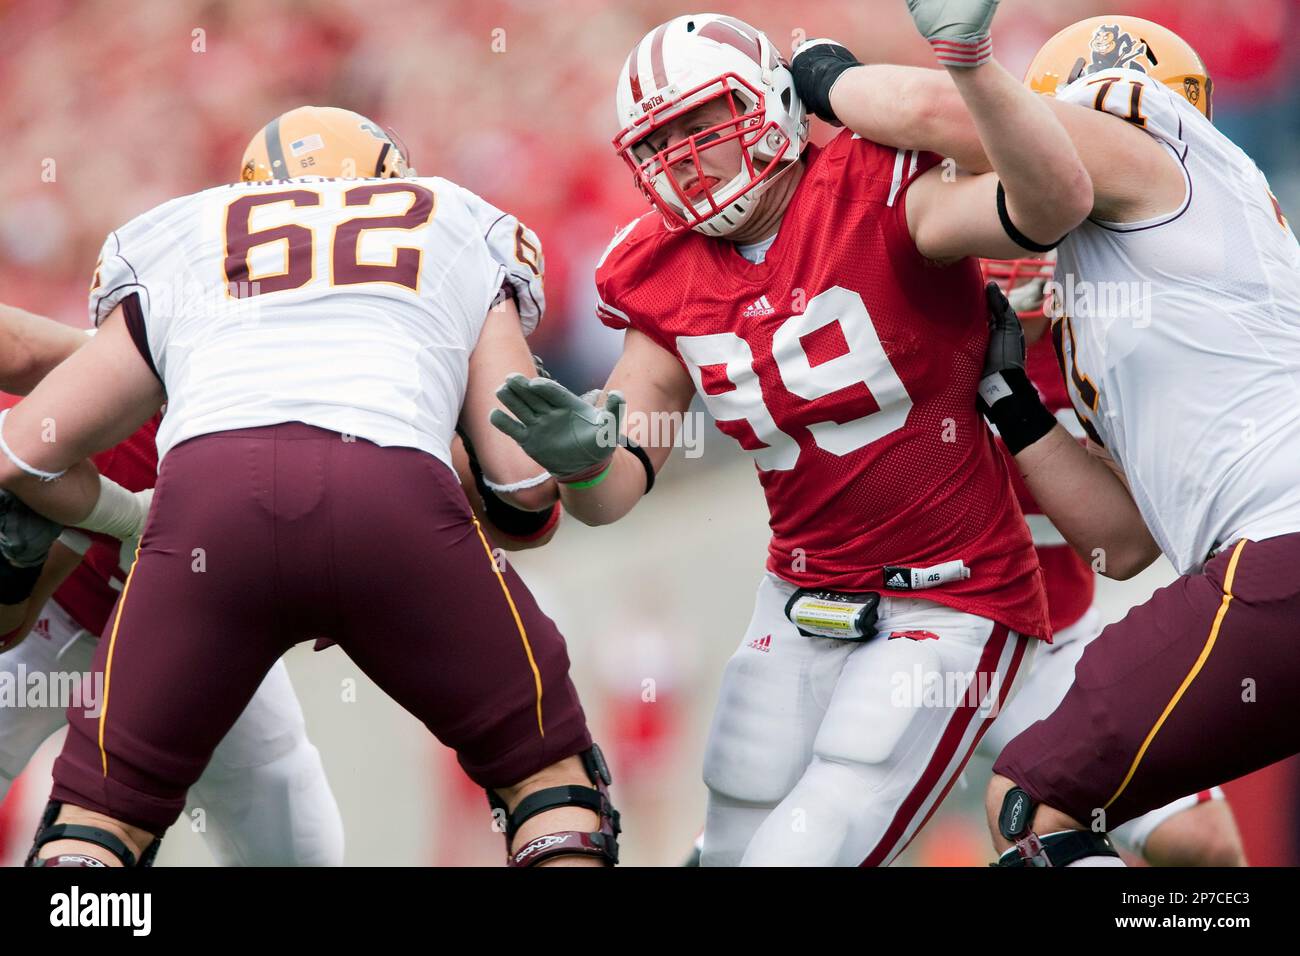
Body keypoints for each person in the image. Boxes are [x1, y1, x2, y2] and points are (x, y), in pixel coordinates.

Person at [491, 3, 1094, 866]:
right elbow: (616, 485)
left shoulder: (877, 187)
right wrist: (585, 459)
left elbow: (1048, 202)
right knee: (731, 826)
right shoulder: (659, 272)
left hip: (953, 596)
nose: (687, 160)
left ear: (771, 101)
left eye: (704, 122)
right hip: (799, 598)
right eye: (661, 143)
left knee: (807, 848)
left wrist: (963, 64)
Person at [0, 106, 617, 867]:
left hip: (198, 548)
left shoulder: (176, 255)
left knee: (98, 825)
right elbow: (518, 488)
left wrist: (129, 500)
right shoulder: (451, 223)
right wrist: (551, 485)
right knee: (548, 783)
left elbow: (22, 451)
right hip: (385, 502)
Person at [798, 15, 1300, 864]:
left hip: (1276, 554)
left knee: (1038, 799)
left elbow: (936, 113)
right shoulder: (1142, 278)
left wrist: (819, 74)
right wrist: (1014, 401)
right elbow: (1124, 541)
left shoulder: (1151, 143)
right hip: (1258, 561)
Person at [974, 256, 1245, 867]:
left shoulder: (1105, 340)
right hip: (913, 631)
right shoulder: (914, 321)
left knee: (1204, 845)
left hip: (1046, 636)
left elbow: (1130, 548)